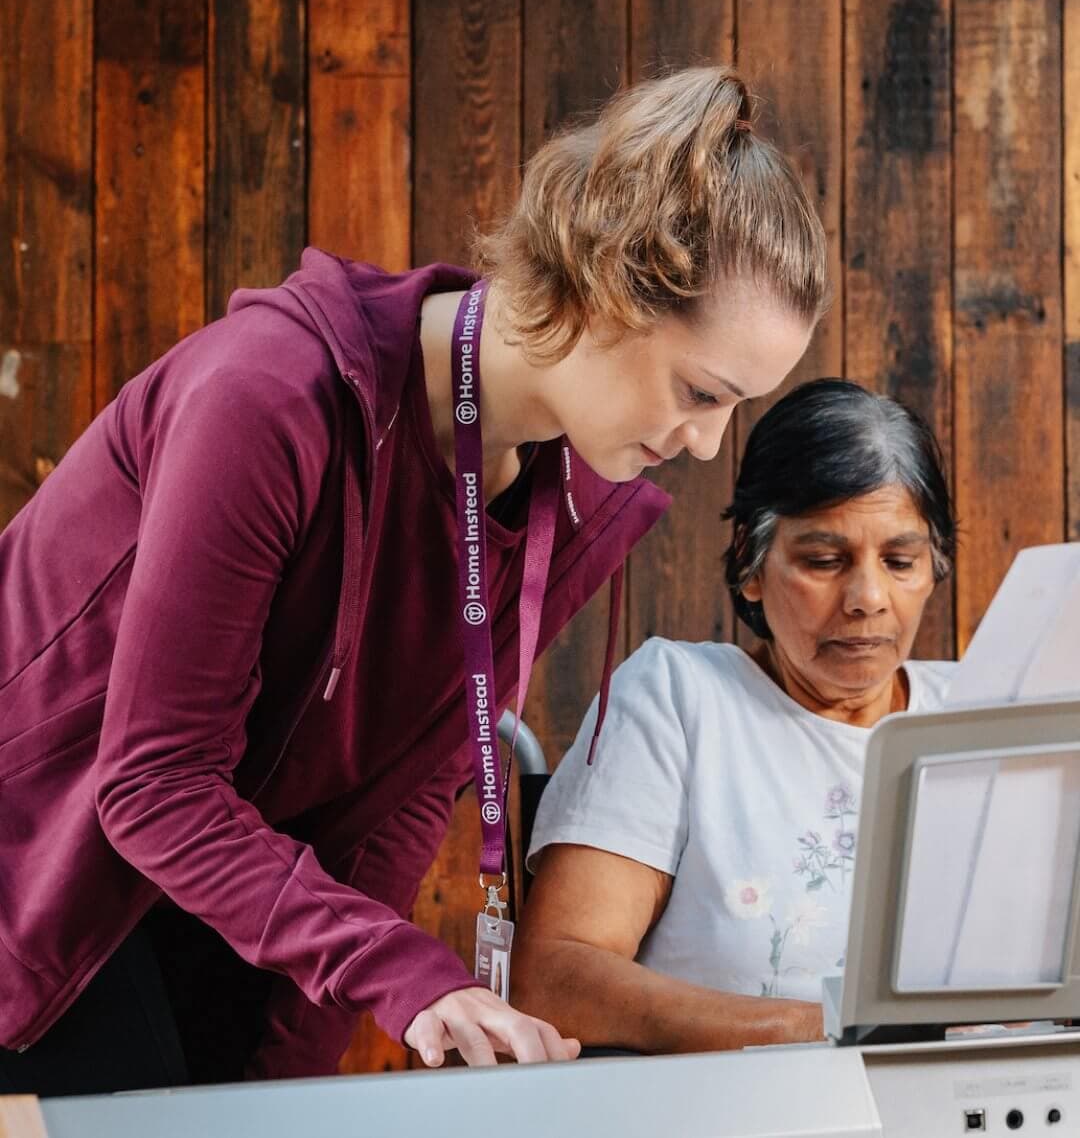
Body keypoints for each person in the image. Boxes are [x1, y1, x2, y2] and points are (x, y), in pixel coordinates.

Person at [0, 67, 825, 1096]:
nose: (705, 444)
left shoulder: (574, 495)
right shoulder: (268, 397)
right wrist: (404, 976)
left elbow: (400, 802)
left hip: (225, 900)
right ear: (605, 288)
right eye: (702, 392)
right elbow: (154, 784)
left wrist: (286, 1087)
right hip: (45, 873)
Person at [512, 378, 957, 1055]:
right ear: (752, 563)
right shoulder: (681, 700)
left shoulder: (982, 714)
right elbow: (555, 978)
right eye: (823, 560)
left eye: (900, 561)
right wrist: (826, 1033)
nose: (869, 598)